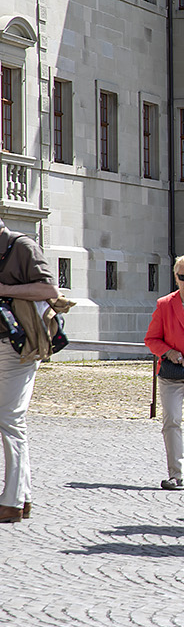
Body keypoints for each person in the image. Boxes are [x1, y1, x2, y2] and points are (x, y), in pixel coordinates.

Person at [0, 219, 59, 524]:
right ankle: (22, 497)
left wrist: (5, 289)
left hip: (19, 346)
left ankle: (10, 502)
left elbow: (50, 288)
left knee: (9, 419)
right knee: (11, 420)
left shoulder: (21, 245)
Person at [144, 255, 184, 492]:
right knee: (171, 421)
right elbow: (151, 339)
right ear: (175, 277)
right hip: (171, 371)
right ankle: (175, 474)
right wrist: (168, 352)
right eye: (183, 277)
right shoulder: (165, 304)